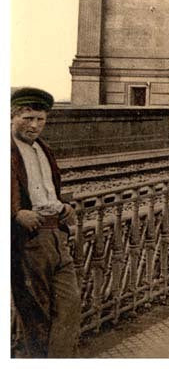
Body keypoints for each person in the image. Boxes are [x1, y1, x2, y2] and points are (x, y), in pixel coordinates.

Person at [10, 86, 82, 358]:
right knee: (36, 312)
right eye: (27, 118)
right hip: (29, 239)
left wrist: (64, 206)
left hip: (57, 234)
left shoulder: (43, 149)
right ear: (12, 115)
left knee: (70, 305)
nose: (34, 125)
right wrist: (15, 213)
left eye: (40, 119)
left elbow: (48, 190)